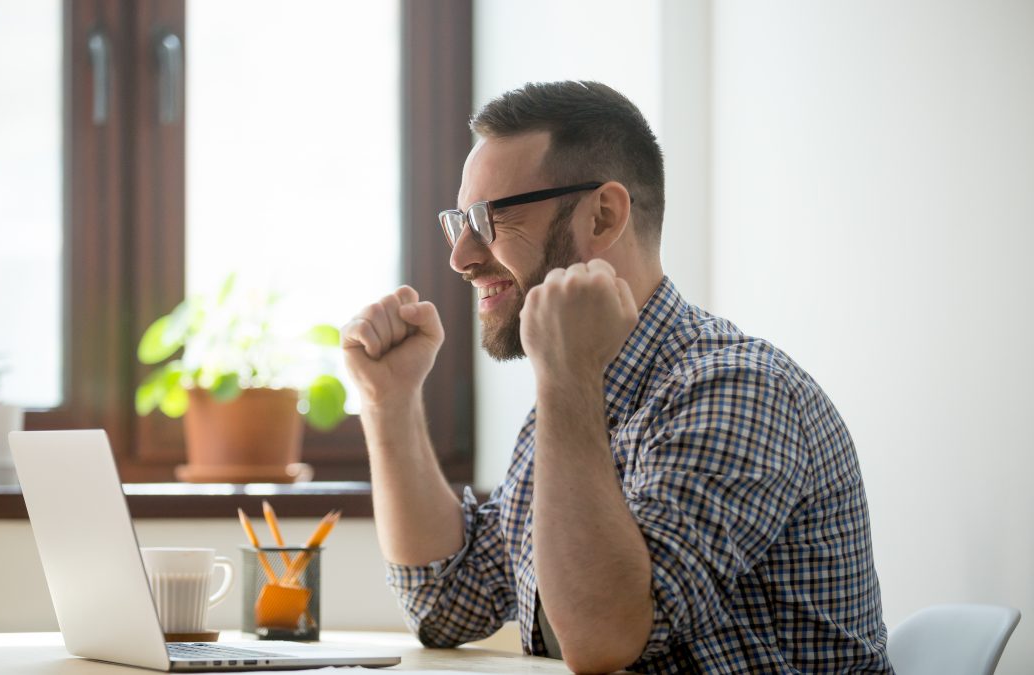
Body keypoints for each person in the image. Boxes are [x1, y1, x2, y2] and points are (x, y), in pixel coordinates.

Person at [341, 80, 892, 673]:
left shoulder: (739, 390)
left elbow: (603, 638)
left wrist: (567, 379)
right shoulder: (573, 400)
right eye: (458, 222)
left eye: (489, 217)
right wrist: (389, 401)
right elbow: (447, 603)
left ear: (603, 216)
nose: (461, 256)